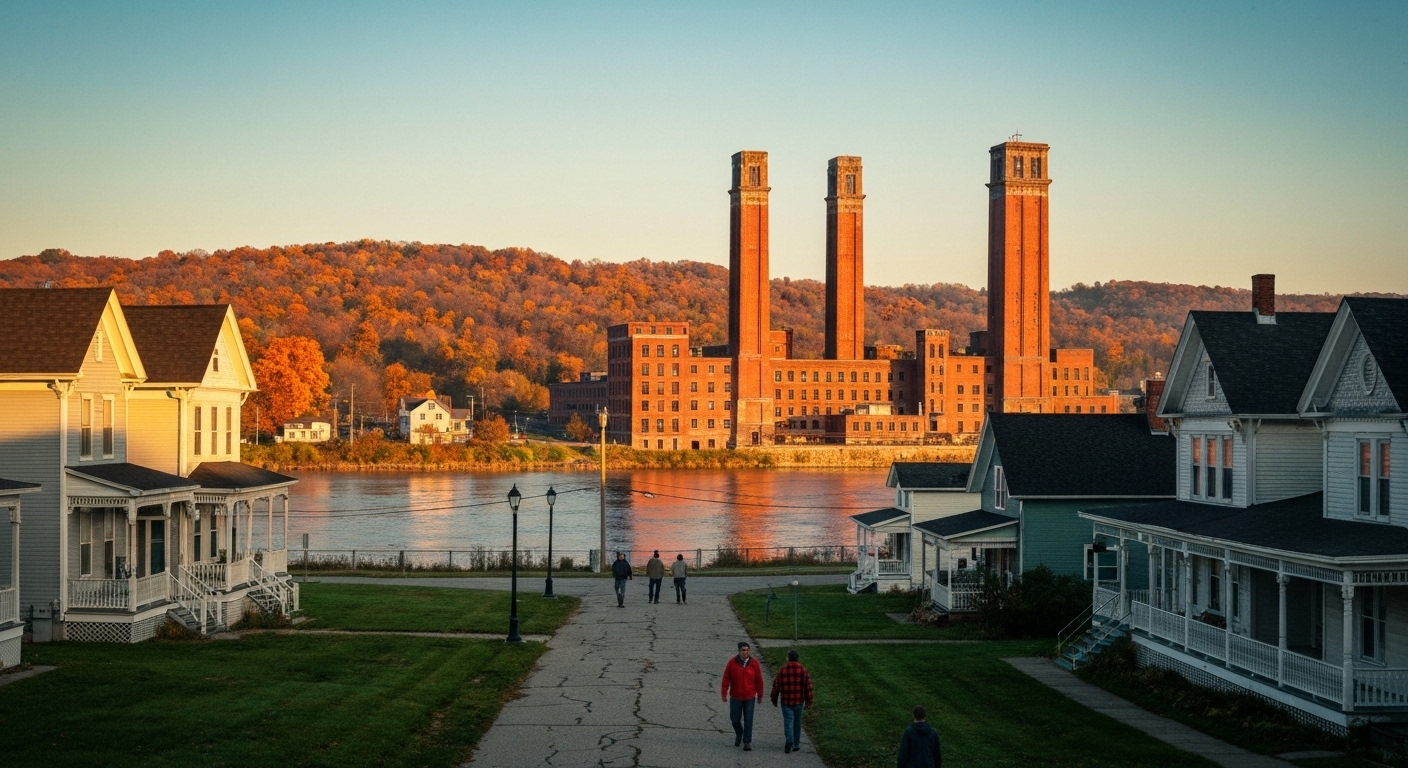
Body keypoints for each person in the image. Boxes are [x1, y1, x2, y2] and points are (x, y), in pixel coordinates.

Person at [720, 641, 765, 751]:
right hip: (736, 696)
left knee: (748, 720)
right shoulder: (732, 663)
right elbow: (726, 678)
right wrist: (724, 693)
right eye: (743, 650)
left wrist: (760, 695)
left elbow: (759, 680)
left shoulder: (754, 663)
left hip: (749, 696)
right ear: (739, 651)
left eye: (747, 650)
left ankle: (747, 742)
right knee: (735, 719)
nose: (746, 652)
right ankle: (739, 733)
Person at [770, 649, 814, 754]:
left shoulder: (783, 670)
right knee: (797, 723)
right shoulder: (803, 670)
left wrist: (774, 698)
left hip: (786, 702)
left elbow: (776, 686)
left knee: (788, 722)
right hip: (798, 701)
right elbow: (808, 687)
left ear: (788, 658)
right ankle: (796, 744)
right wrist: (809, 701)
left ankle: (789, 740)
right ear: (797, 658)